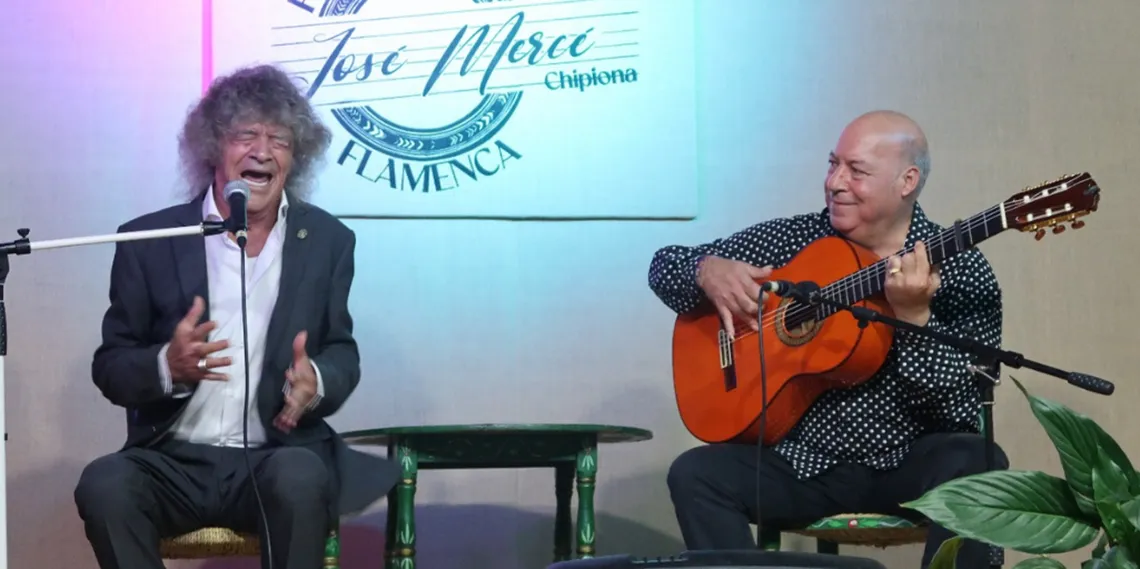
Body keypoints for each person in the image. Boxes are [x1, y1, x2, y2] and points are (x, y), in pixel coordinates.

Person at [648, 110, 1008, 568]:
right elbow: (664, 264)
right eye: (833, 164)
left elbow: (959, 414)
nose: (835, 182)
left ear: (907, 181)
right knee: (696, 473)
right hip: (804, 463)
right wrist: (705, 270)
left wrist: (915, 320)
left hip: (906, 463)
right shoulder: (795, 240)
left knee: (978, 460)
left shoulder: (962, 271)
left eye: (856, 171)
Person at [73, 64, 399, 569]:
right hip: (171, 461)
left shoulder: (329, 242)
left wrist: (316, 377)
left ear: (297, 157)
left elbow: (341, 351)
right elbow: (111, 364)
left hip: (272, 459)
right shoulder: (148, 241)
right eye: (246, 135)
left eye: (280, 140)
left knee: (301, 476)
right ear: (213, 147)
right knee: (105, 484)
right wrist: (167, 365)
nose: (263, 151)